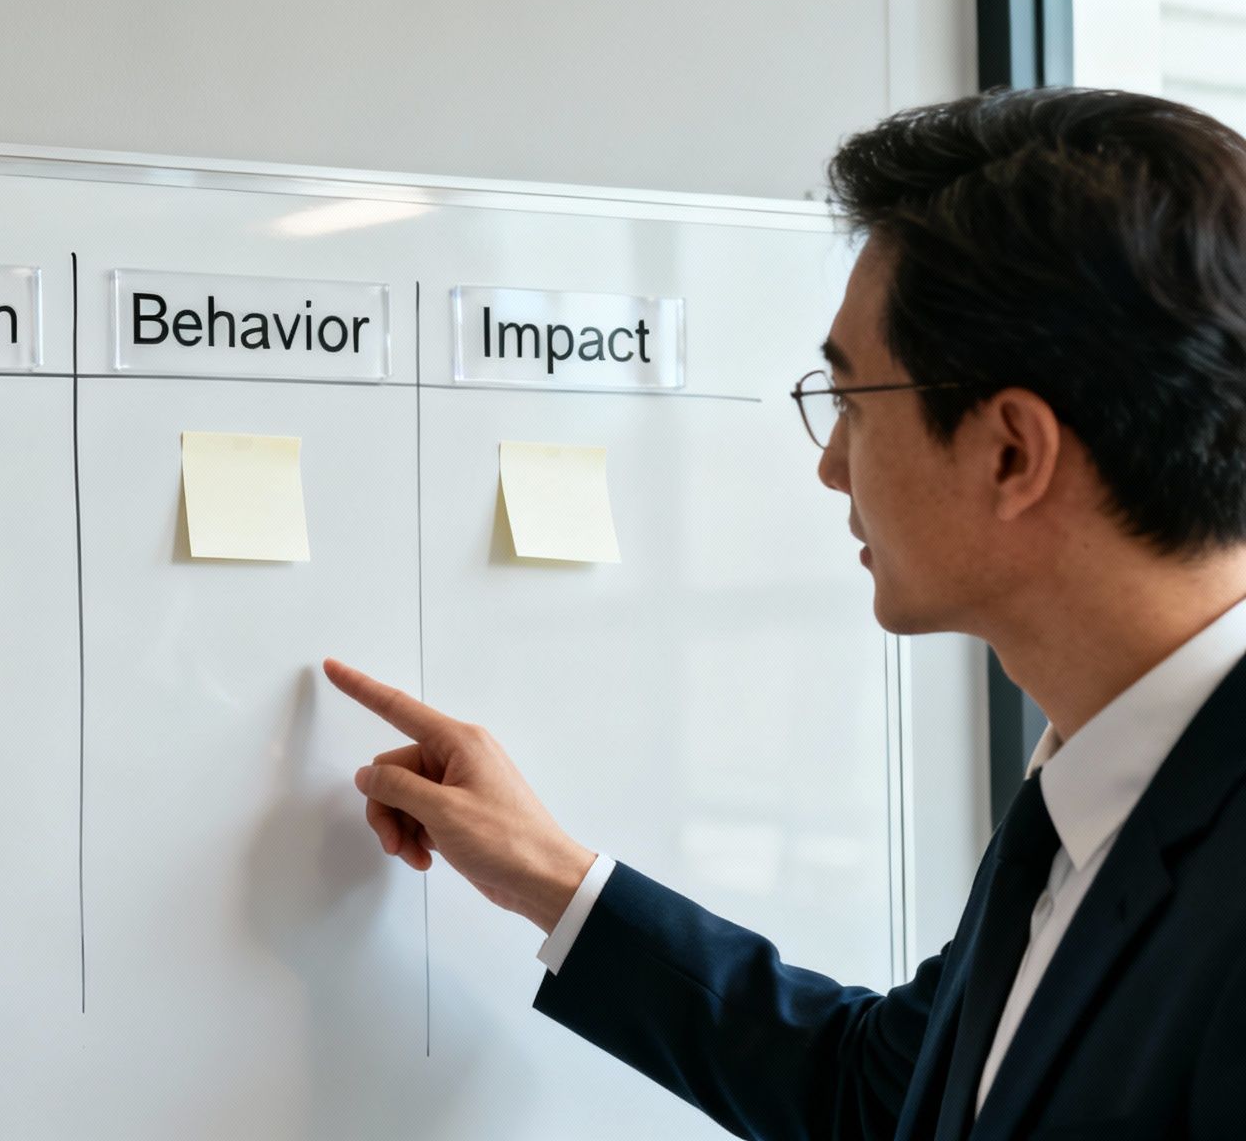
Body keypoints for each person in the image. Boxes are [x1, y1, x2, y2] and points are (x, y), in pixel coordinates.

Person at [327, 87, 1246, 1139]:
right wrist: (551, 879)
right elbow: (883, 1097)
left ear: (1009, 452)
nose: (826, 465)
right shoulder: (1087, 798)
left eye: (851, 404)